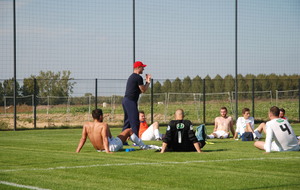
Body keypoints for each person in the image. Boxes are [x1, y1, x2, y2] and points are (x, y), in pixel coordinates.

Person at [76, 109, 160, 153]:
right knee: (128, 131)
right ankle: (144, 147)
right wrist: (108, 151)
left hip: (98, 149)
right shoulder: (103, 125)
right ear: (101, 116)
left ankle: (122, 143)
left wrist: (77, 151)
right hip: (110, 147)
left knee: (117, 137)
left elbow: (83, 139)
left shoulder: (86, 125)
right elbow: (105, 138)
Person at [122, 61, 151, 136]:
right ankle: (136, 141)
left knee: (127, 122)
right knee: (135, 121)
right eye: (142, 67)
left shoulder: (132, 76)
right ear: (138, 68)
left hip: (126, 100)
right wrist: (148, 82)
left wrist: (146, 83)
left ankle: (122, 140)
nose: (143, 69)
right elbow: (143, 90)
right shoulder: (138, 77)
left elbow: (139, 91)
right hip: (130, 101)